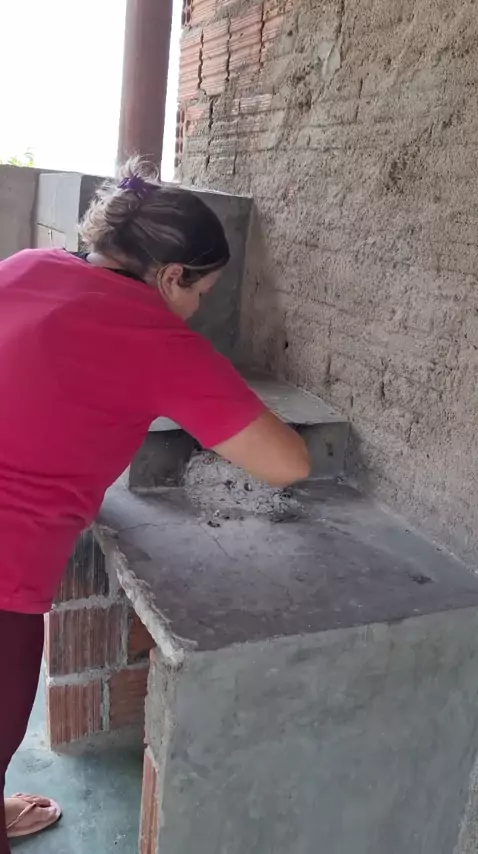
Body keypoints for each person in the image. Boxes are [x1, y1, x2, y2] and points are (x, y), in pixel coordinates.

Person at [0, 158, 309, 853]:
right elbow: (287, 462)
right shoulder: (157, 338)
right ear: (172, 276)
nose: (197, 307)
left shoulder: (25, 265)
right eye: (202, 291)